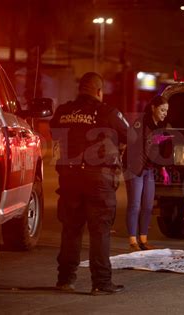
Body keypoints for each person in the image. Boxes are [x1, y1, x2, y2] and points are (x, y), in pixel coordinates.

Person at [50, 72, 130, 295]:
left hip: (69, 178)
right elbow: (130, 135)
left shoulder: (64, 111)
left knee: (71, 230)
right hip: (98, 180)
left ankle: (65, 280)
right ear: (98, 92)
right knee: (100, 231)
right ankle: (101, 283)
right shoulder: (108, 112)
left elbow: (54, 131)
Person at [123, 95, 171, 251]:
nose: (164, 113)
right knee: (134, 205)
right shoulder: (140, 122)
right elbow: (132, 142)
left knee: (148, 205)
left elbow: (159, 150)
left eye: (166, 111)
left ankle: (143, 239)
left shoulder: (161, 126)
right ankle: (132, 241)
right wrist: (151, 140)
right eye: (162, 110)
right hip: (135, 168)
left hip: (149, 169)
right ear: (153, 108)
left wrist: (163, 169)